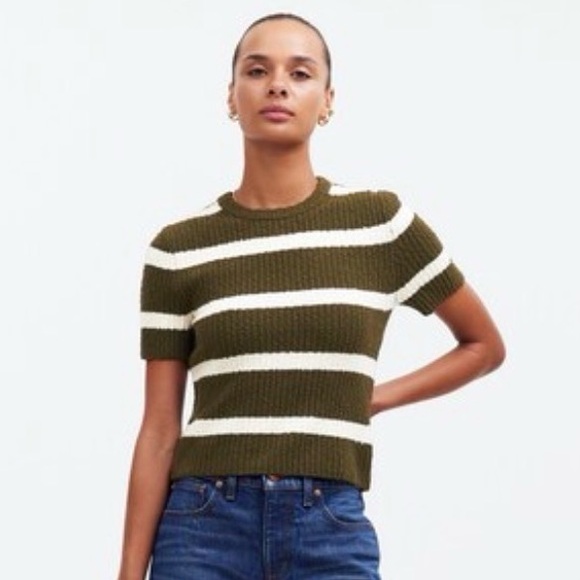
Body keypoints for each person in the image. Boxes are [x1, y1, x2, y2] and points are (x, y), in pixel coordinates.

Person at [117, 12, 506, 580]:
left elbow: (483, 346)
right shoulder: (179, 249)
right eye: (257, 70)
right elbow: (158, 430)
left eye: (300, 73)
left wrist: (374, 397)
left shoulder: (379, 224)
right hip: (202, 528)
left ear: (327, 100)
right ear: (231, 96)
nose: (277, 85)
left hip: (329, 526)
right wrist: (129, 573)